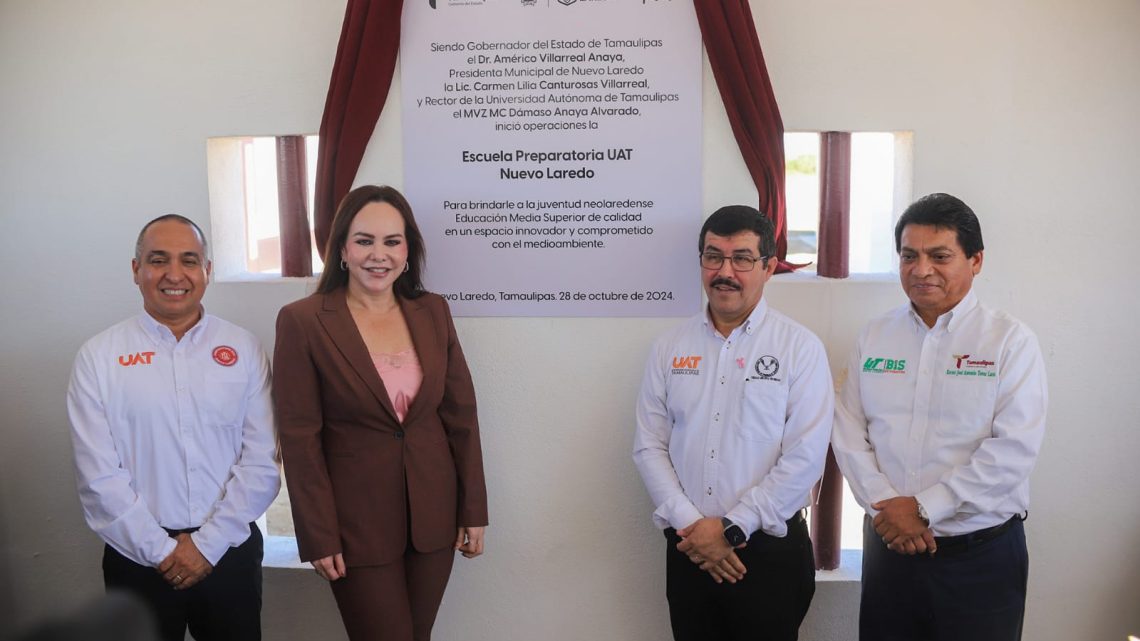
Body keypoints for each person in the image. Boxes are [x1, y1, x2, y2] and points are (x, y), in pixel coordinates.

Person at [273, 185, 488, 641]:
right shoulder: (303, 320)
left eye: (392, 241)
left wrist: (473, 509)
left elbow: (461, 418)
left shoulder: (433, 311)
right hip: (355, 525)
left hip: (434, 516)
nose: (379, 254)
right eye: (364, 240)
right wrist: (318, 534)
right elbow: (299, 439)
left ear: (408, 250)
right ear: (343, 250)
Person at [832, 193, 1048, 641]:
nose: (921, 269)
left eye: (940, 256)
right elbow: (849, 431)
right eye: (909, 256)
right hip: (890, 551)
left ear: (976, 260)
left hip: (979, 558)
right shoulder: (875, 335)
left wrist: (924, 509)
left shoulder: (1009, 342)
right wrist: (888, 508)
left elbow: (1012, 450)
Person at [67, 214, 281, 641]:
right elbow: (98, 477)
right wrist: (162, 551)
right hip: (137, 559)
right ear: (136, 270)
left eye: (189, 260)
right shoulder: (99, 358)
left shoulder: (244, 349)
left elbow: (262, 462)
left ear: (208, 270)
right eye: (158, 260)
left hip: (228, 552)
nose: (174, 274)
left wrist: (206, 546)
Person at [633, 205, 833, 641]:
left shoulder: (800, 348)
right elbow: (649, 446)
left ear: (768, 267)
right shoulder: (669, 347)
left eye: (742, 258)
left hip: (768, 553)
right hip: (690, 549)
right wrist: (694, 526)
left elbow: (805, 457)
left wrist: (731, 527)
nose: (726, 271)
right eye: (713, 256)